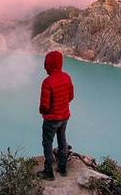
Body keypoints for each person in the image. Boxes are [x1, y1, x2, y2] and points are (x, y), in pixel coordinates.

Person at [37, 50, 74, 181]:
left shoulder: (47, 82)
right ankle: (62, 167)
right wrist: (61, 105)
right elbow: (71, 96)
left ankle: (48, 172)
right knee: (62, 140)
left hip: (51, 119)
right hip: (64, 117)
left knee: (47, 143)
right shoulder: (67, 77)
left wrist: (43, 112)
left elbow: (45, 106)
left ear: (49, 65)